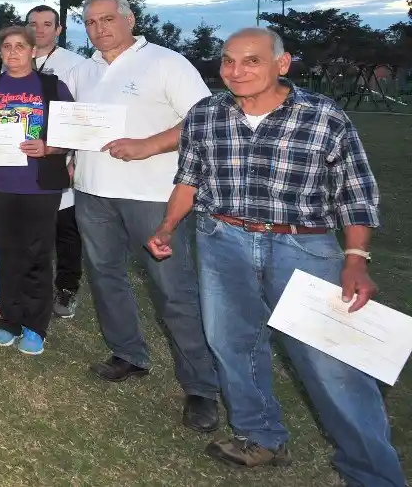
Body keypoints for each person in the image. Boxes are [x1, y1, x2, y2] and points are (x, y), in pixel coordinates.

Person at [147, 28, 404, 483]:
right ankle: (260, 437)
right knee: (232, 344)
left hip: (302, 246)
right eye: (228, 61)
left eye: (251, 61)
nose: (236, 71)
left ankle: (372, 473)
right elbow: (189, 179)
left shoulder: (323, 115)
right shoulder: (207, 114)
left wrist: (356, 258)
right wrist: (168, 226)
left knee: (332, 361)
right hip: (220, 238)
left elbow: (356, 193)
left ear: (281, 64)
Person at [68, 0, 220, 432]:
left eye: (107, 19)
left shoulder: (166, 62)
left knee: (172, 289)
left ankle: (200, 387)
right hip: (93, 191)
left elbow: (204, 117)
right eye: (91, 22)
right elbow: (71, 123)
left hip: (153, 195)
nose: (99, 28)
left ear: (130, 19)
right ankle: (128, 354)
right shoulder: (84, 70)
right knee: (105, 277)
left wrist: (149, 144)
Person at [0, 26, 71, 356]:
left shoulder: (53, 86)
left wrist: (48, 147)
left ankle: (35, 326)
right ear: (0, 52)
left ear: (33, 51)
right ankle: (9, 319)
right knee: (5, 252)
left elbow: (72, 136)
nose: (13, 52)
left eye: (20, 46)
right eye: (7, 47)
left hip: (39, 186)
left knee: (36, 254)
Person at [26, 4, 87, 320]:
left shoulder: (76, 65)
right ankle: (32, 282)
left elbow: (81, 116)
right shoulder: (17, 60)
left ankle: (67, 286)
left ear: (59, 29)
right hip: (23, 158)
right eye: (33, 23)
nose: (40, 29)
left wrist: (73, 157)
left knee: (66, 228)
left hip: (60, 156)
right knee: (32, 228)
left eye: (47, 24)